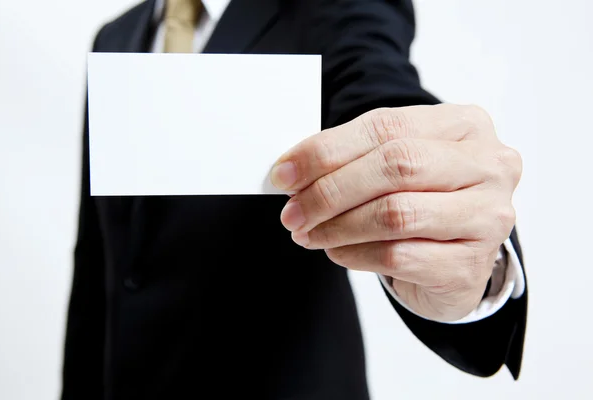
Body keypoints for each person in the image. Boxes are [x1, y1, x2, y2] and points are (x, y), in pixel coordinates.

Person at [61, 1, 528, 399]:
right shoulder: (115, 37)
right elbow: (98, 261)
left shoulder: (331, 7)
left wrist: (467, 249)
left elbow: (377, 90)